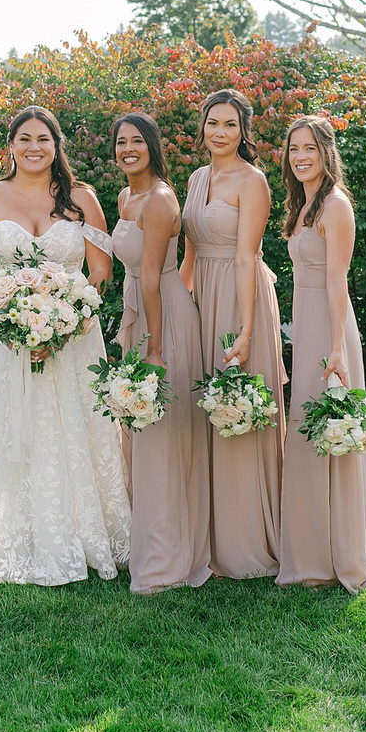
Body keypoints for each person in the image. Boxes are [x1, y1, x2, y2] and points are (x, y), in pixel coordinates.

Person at [0, 106, 131, 585]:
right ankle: (7, 532)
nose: (34, 147)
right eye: (24, 138)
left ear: (56, 145)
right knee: (10, 428)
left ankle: (83, 532)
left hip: (73, 338)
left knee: (69, 425)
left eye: (43, 138)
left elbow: (101, 272)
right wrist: (7, 327)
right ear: (11, 146)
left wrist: (68, 325)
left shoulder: (82, 198)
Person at [180, 88, 286, 578]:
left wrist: (244, 331)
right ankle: (207, 529)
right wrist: (181, 310)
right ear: (201, 127)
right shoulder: (198, 177)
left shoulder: (253, 180)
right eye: (212, 123)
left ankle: (246, 537)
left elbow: (247, 256)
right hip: (201, 298)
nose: (220, 133)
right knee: (204, 408)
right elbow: (189, 255)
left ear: (243, 131)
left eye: (230, 124)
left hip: (239, 298)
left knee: (236, 405)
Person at [276, 116, 366, 591]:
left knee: (330, 429)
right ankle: (311, 548)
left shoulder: (335, 206)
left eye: (309, 149)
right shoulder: (303, 206)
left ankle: (338, 553)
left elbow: (337, 280)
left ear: (326, 153)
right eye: (294, 149)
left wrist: (336, 349)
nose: (300, 157)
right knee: (309, 430)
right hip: (310, 322)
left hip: (331, 331)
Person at [112, 114, 211, 592]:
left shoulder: (160, 198)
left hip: (163, 319)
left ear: (152, 146)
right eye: (121, 142)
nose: (128, 149)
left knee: (161, 435)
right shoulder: (125, 196)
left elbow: (152, 276)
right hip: (142, 315)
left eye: (137, 141)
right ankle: (144, 540)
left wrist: (153, 347)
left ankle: (165, 557)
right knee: (140, 433)